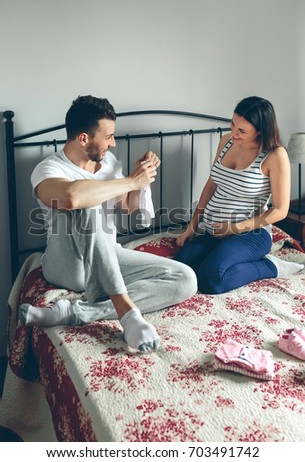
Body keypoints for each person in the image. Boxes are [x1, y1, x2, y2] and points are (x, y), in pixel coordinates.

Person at [19, 95, 197, 352]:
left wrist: (140, 179)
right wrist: (130, 182)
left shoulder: (108, 164)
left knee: (186, 278)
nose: (113, 143)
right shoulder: (48, 169)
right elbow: (71, 197)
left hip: (108, 255)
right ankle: (128, 315)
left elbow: (127, 207)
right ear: (83, 138)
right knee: (85, 199)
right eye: (109, 136)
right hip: (69, 265)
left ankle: (76, 312)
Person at [174, 96, 304, 294]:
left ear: (260, 130)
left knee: (212, 280)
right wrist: (192, 226)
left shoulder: (275, 155)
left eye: (242, 130)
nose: (234, 132)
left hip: (250, 233)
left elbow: (280, 210)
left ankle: (270, 266)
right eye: (232, 124)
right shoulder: (226, 141)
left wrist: (234, 228)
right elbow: (211, 185)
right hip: (214, 230)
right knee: (183, 267)